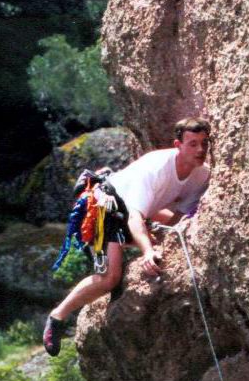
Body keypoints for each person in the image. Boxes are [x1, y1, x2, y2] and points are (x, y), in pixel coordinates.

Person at [43, 117, 211, 355]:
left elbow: (178, 216)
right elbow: (134, 217)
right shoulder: (156, 167)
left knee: (158, 238)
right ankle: (58, 316)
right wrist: (147, 250)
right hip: (105, 207)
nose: (200, 150)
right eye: (193, 144)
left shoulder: (201, 175)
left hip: (135, 209)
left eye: (204, 143)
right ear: (178, 145)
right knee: (110, 278)